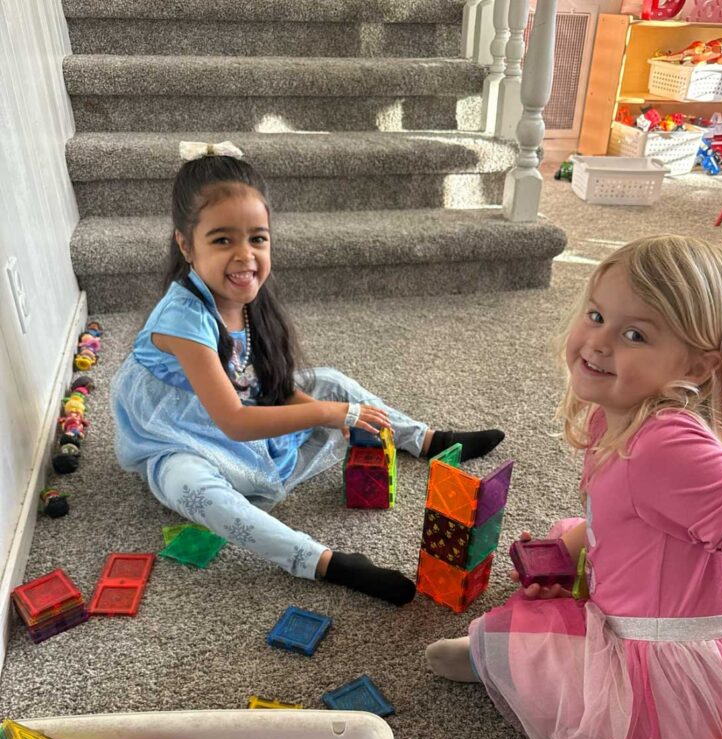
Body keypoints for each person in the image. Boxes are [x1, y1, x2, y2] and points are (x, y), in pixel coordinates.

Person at [426, 235, 722, 739]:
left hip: (673, 673)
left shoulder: (668, 447)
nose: (598, 341)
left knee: (498, 636)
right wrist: (575, 548)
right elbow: (631, 521)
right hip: (661, 607)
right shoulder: (618, 410)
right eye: (598, 316)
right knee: (567, 538)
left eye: (636, 335)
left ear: (697, 367)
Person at [111, 141, 504, 605]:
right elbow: (235, 420)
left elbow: (268, 388)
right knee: (190, 489)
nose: (245, 256)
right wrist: (330, 414)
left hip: (238, 406)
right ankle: (320, 560)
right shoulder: (183, 317)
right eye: (222, 240)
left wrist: (332, 409)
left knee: (331, 380)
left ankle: (425, 439)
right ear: (185, 244)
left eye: (257, 238)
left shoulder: (248, 298)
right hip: (179, 436)